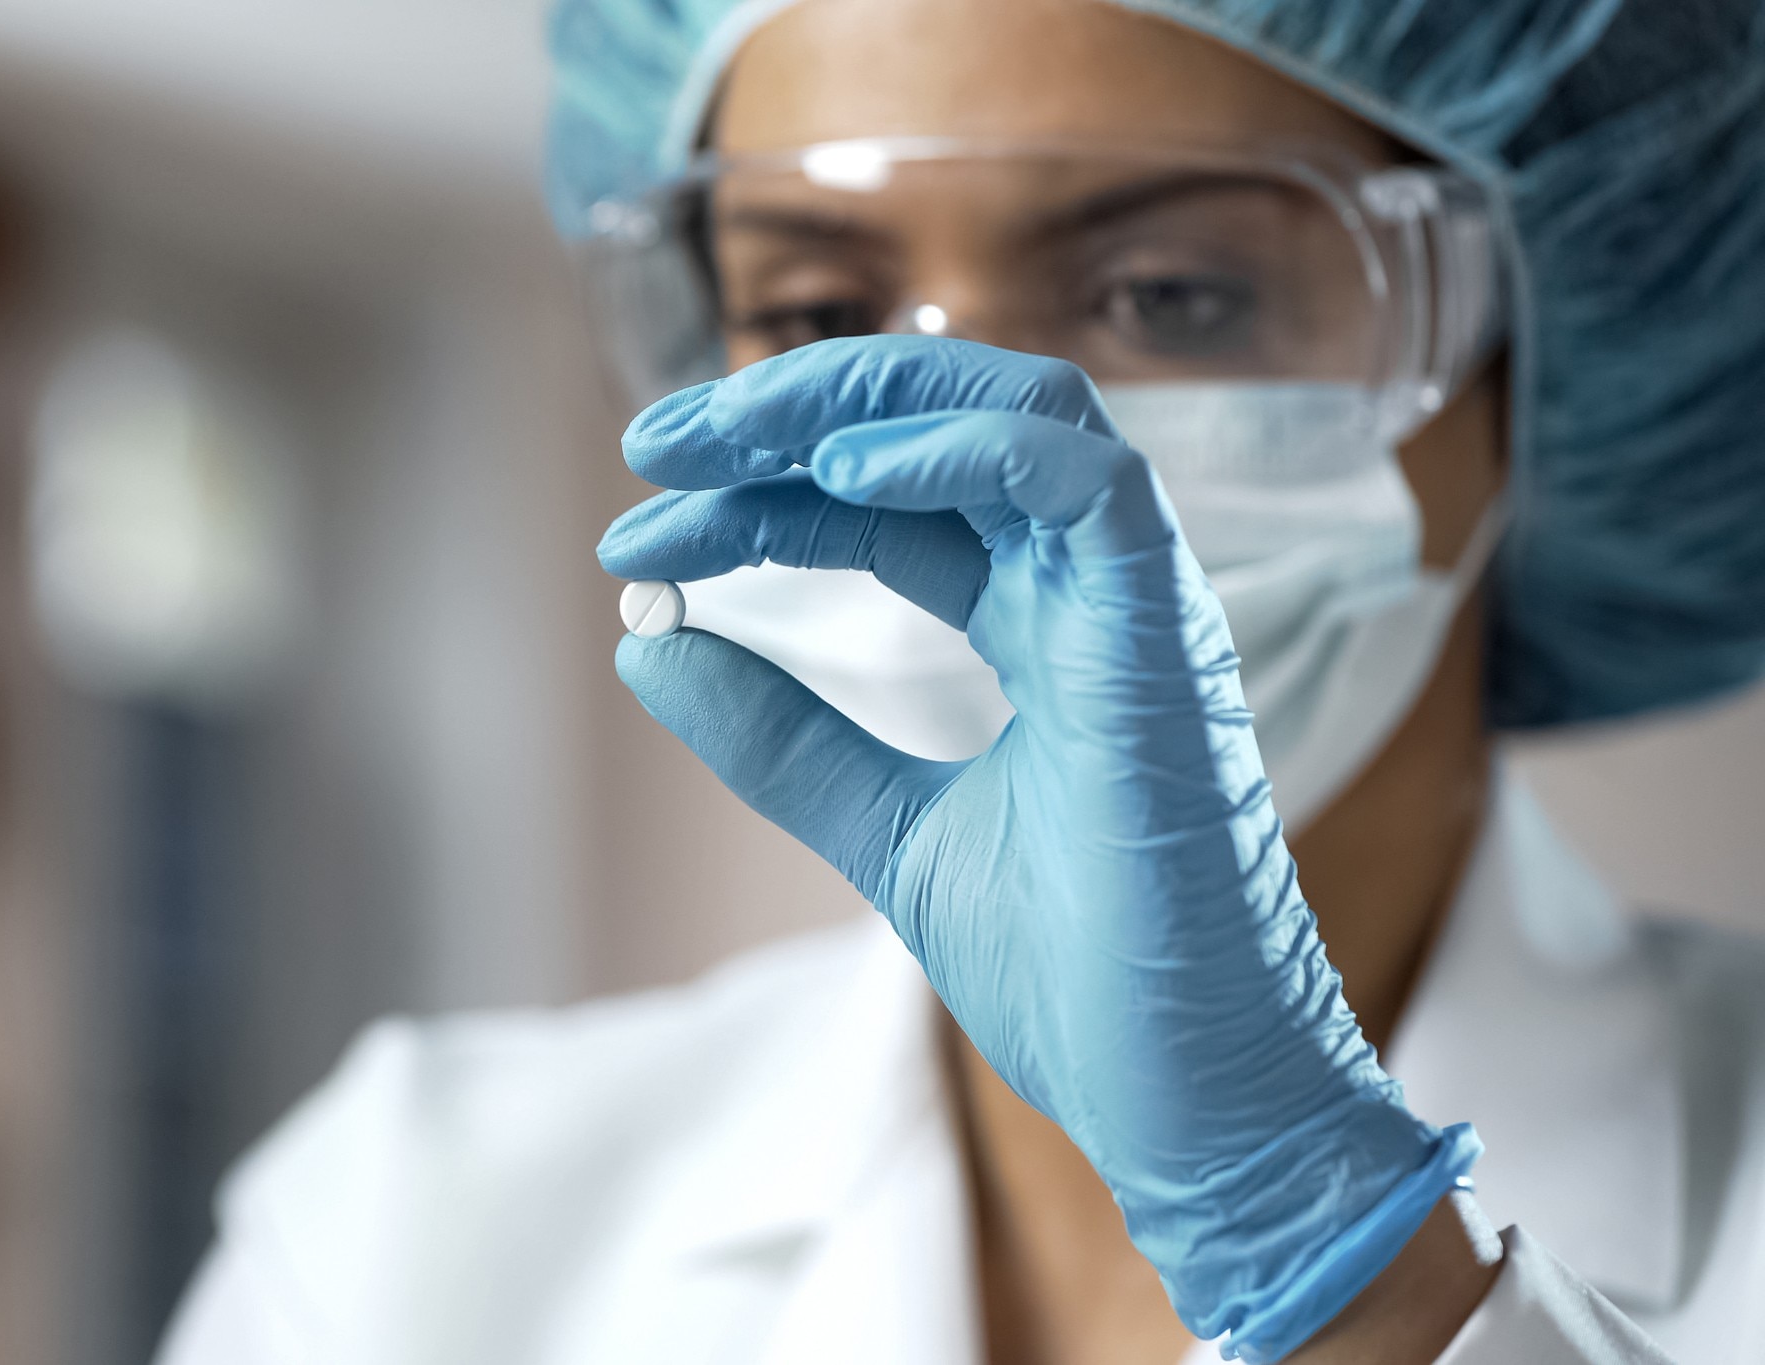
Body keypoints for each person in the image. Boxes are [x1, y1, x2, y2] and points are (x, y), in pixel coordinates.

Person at [157, 1, 1765, 1361]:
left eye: (1168, 295)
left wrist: (1329, 1236)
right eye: (816, 311)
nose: (964, 443)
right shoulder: (412, 1222)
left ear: (1540, 355)